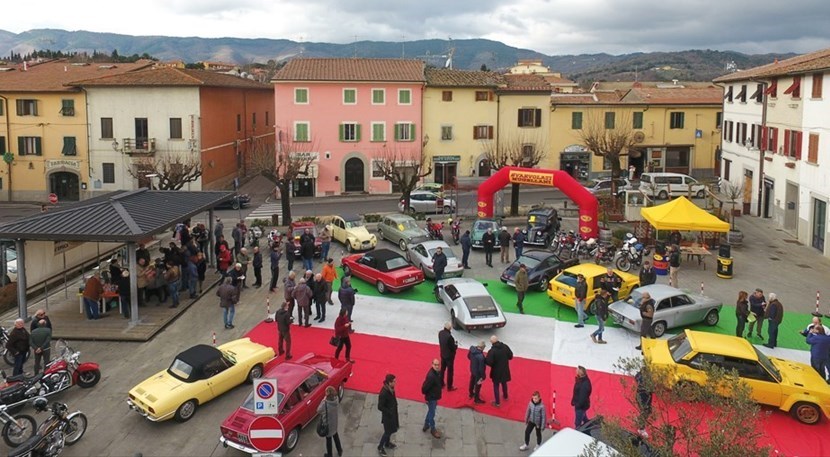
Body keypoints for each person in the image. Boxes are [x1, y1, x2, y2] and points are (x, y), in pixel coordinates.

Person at [485, 335, 513, 407]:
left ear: (491, 342)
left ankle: (497, 402)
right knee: (504, 383)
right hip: (505, 369)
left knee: (496, 386)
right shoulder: (505, 347)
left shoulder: (492, 351)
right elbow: (510, 356)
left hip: (496, 371)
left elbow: (489, 362)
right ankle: (505, 396)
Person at [317, 386, 343, 457]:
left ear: (327, 394)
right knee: (336, 436)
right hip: (334, 422)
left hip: (328, 424)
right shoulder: (336, 399)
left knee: (328, 440)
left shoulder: (325, 403)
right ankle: (339, 450)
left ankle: (329, 454)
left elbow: (318, 410)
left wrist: (323, 400)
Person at [377, 374, 399, 456]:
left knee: (390, 431)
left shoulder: (391, 389)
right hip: (388, 415)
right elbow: (380, 406)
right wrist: (389, 412)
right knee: (387, 432)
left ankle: (387, 443)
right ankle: (380, 446)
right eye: (394, 381)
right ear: (389, 382)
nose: (395, 383)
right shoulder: (384, 393)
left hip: (392, 413)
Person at [421, 359, 443, 439]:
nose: (437, 366)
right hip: (431, 398)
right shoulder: (431, 376)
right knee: (432, 413)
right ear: (432, 364)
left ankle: (426, 424)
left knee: (430, 411)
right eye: (435, 364)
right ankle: (433, 429)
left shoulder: (437, 373)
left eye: (438, 365)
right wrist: (427, 397)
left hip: (434, 396)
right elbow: (424, 388)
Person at [438, 322, 458, 391]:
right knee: (450, 372)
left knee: (442, 370)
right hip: (449, 357)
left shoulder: (440, 333)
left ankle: (441, 383)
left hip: (443, 354)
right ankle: (449, 386)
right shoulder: (450, 337)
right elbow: (452, 348)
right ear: (450, 328)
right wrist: (456, 346)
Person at [635, 368, 653, 436]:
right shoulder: (646, 381)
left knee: (647, 411)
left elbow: (636, 377)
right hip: (644, 398)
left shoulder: (640, 376)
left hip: (641, 396)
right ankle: (641, 429)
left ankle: (639, 420)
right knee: (646, 412)